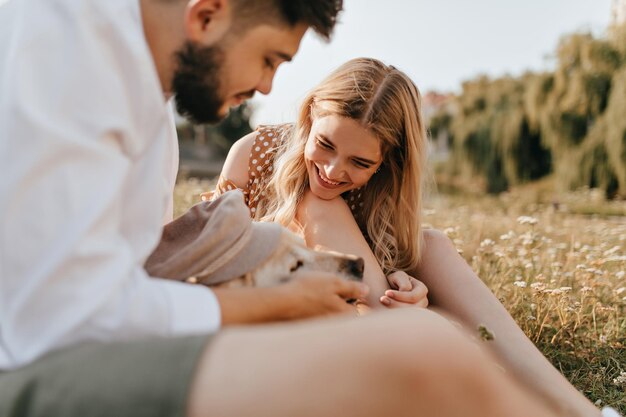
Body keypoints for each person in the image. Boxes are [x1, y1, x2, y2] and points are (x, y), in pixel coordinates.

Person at [0, 0, 614, 416]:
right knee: (431, 353)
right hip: (34, 365)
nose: (267, 87)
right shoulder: (66, 62)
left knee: (434, 330)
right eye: (270, 58)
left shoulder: (141, 90)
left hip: (78, 345)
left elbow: (107, 280)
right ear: (209, 13)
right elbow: (58, 317)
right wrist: (273, 297)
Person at [206, 57, 609, 417]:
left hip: (355, 302)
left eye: (360, 162)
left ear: (387, 160)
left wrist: (407, 287)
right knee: (320, 203)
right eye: (325, 144)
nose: (331, 170)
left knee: (432, 245)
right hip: (272, 301)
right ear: (310, 116)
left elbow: (379, 262)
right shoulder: (254, 152)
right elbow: (211, 255)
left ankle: (577, 409)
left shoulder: (384, 191)